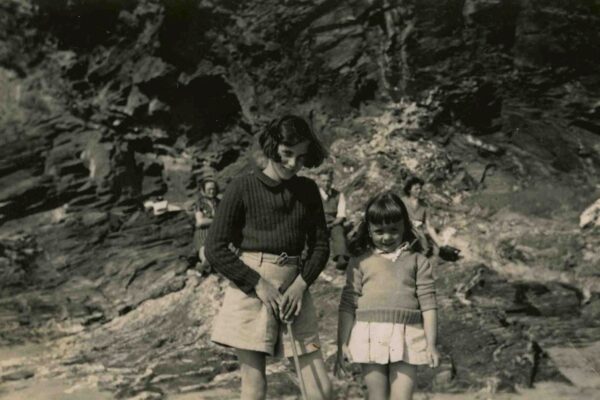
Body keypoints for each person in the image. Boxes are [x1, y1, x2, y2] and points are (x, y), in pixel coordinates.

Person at [205, 115, 333, 400]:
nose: (292, 164)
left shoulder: (308, 191)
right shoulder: (241, 187)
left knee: (320, 387)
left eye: (301, 157)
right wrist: (258, 284)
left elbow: (321, 246)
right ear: (273, 147)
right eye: (287, 154)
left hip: (294, 287)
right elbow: (215, 247)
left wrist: (301, 285)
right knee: (254, 385)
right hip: (252, 288)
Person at [335, 191, 440, 400]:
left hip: (409, 335)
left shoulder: (418, 261)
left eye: (394, 230)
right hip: (370, 335)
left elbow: (429, 306)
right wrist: (342, 344)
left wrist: (431, 344)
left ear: (404, 228)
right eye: (379, 231)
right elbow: (348, 305)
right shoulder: (360, 261)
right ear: (369, 230)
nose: (387, 237)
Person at [318, 168, 350, 271]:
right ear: (319, 181)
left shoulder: (338, 195)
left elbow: (341, 216)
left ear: (331, 181)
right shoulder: (313, 194)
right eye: (323, 180)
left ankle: (341, 258)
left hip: (333, 223)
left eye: (328, 180)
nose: (326, 183)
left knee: (338, 231)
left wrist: (331, 225)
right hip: (318, 222)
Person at [192, 178, 220, 274]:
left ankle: (204, 267)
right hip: (203, 232)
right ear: (203, 191)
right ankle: (204, 265)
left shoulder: (219, 202)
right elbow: (200, 222)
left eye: (214, 189)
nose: (212, 191)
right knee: (205, 250)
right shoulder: (200, 203)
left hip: (217, 231)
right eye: (209, 189)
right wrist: (217, 220)